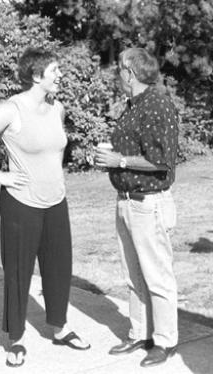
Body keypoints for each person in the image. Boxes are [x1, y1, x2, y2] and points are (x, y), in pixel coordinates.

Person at [0, 47, 90, 368]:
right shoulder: (11, 109)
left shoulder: (57, 108)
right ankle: (16, 339)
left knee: (59, 268)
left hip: (56, 201)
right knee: (19, 273)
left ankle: (59, 329)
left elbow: (53, 152)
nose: (60, 75)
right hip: (21, 203)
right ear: (36, 76)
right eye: (55, 70)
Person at [95, 47, 179, 368]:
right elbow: (128, 152)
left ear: (130, 72)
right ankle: (140, 333)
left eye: (119, 69)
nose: (117, 74)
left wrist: (121, 160)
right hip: (126, 200)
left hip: (148, 203)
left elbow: (161, 161)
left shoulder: (157, 104)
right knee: (133, 274)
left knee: (157, 276)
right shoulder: (132, 106)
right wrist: (110, 161)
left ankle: (165, 341)